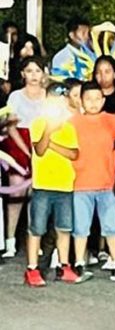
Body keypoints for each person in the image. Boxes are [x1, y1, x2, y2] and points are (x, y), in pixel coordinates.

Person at [24, 82, 84, 287]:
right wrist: (49, 132)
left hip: (64, 185)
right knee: (37, 228)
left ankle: (64, 265)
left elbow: (73, 153)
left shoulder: (69, 127)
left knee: (64, 228)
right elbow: (39, 150)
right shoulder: (38, 124)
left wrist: (51, 143)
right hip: (43, 185)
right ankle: (32, 268)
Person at [70, 82, 115, 282]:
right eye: (88, 99)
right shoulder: (72, 122)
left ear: (103, 100)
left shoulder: (111, 120)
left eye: (97, 99)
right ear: (81, 100)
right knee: (81, 227)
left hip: (106, 183)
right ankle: (79, 262)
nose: (93, 103)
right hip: (80, 183)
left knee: (112, 226)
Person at [3, 57, 46, 259]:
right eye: (29, 71)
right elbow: (11, 127)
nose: (34, 75)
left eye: (37, 70)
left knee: (36, 195)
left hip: (42, 143)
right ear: (22, 74)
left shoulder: (48, 96)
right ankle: (10, 240)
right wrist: (27, 151)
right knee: (17, 192)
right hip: (18, 143)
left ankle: (34, 239)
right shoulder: (15, 96)